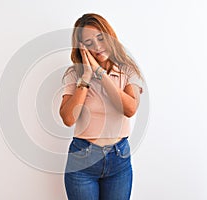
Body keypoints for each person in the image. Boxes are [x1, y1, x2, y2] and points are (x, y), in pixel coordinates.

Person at [59, 13, 144, 200]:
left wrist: (100, 73)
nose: (97, 47)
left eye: (100, 38)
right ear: (81, 48)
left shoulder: (127, 70)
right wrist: (87, 77)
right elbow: (68, 119)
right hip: (82, 161)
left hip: (119, 160)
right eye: (88, 43)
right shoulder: (74, 74)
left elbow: (129, 109)